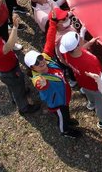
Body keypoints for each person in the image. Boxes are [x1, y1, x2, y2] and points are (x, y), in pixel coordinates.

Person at [24, 10, 81, 138]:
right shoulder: (38, 79)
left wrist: (53, 22)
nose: (41, 62)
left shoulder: (46, 58)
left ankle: (67, 121)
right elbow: (40, 85)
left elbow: (49, 40)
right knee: (62, 116)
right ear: (32, 68)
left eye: (40, 58)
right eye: (36, 62)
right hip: (57, 103)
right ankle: (65, 131)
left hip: (63, 97)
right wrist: (42, 84)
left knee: (65, 113)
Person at [0, 8, 39, 115]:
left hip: (7, 69)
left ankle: (16, 97)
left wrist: (1, 0)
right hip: (10, 72)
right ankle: (24, 108)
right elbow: (9, 45)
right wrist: (15, 27)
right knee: (17, 87)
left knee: (13, 86)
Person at [59, 31, 102, 130]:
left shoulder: (67, 53)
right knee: (101, 105)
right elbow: (99, 76)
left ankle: (91, 104)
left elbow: (79, 51)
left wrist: (90, 42)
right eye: (79, 39)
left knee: (89, 94)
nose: (80, 37)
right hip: (95, 87)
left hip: (82, 82)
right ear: (77, 46)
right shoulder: (91, 60)